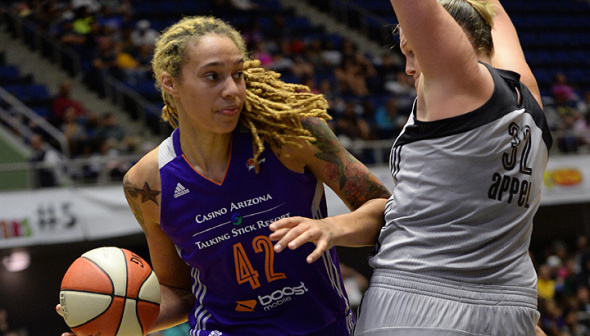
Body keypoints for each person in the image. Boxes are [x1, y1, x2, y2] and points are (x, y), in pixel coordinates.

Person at [56, 15, 390, 335]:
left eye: (238, 74)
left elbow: (387, 214)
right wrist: (116, 322)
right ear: (170, 83)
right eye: (213, 76)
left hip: (323, 328)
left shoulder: (292, 137)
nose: (232, 89)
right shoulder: (146, 183)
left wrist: (331, 228)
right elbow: (179, 291)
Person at [270, 0, 553, 335]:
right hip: (514, 308)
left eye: (413, 49)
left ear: (450, 38)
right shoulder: (529, 98)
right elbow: (495, 10)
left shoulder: (458, 80)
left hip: (421, 301)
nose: (408, 66)